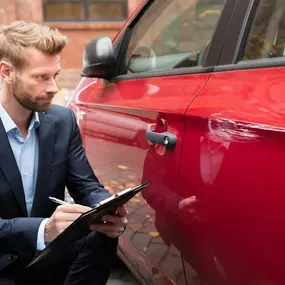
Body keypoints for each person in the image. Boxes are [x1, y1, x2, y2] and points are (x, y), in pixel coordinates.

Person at [0, 21, 128, 285]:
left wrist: (107, 209)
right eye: (41, 77)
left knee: (102, 235)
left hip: (46, 256)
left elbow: (86, 185)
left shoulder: (61, 120)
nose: (53, 88)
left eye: (55, 76)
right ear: (6, 72)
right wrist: (43, 229)